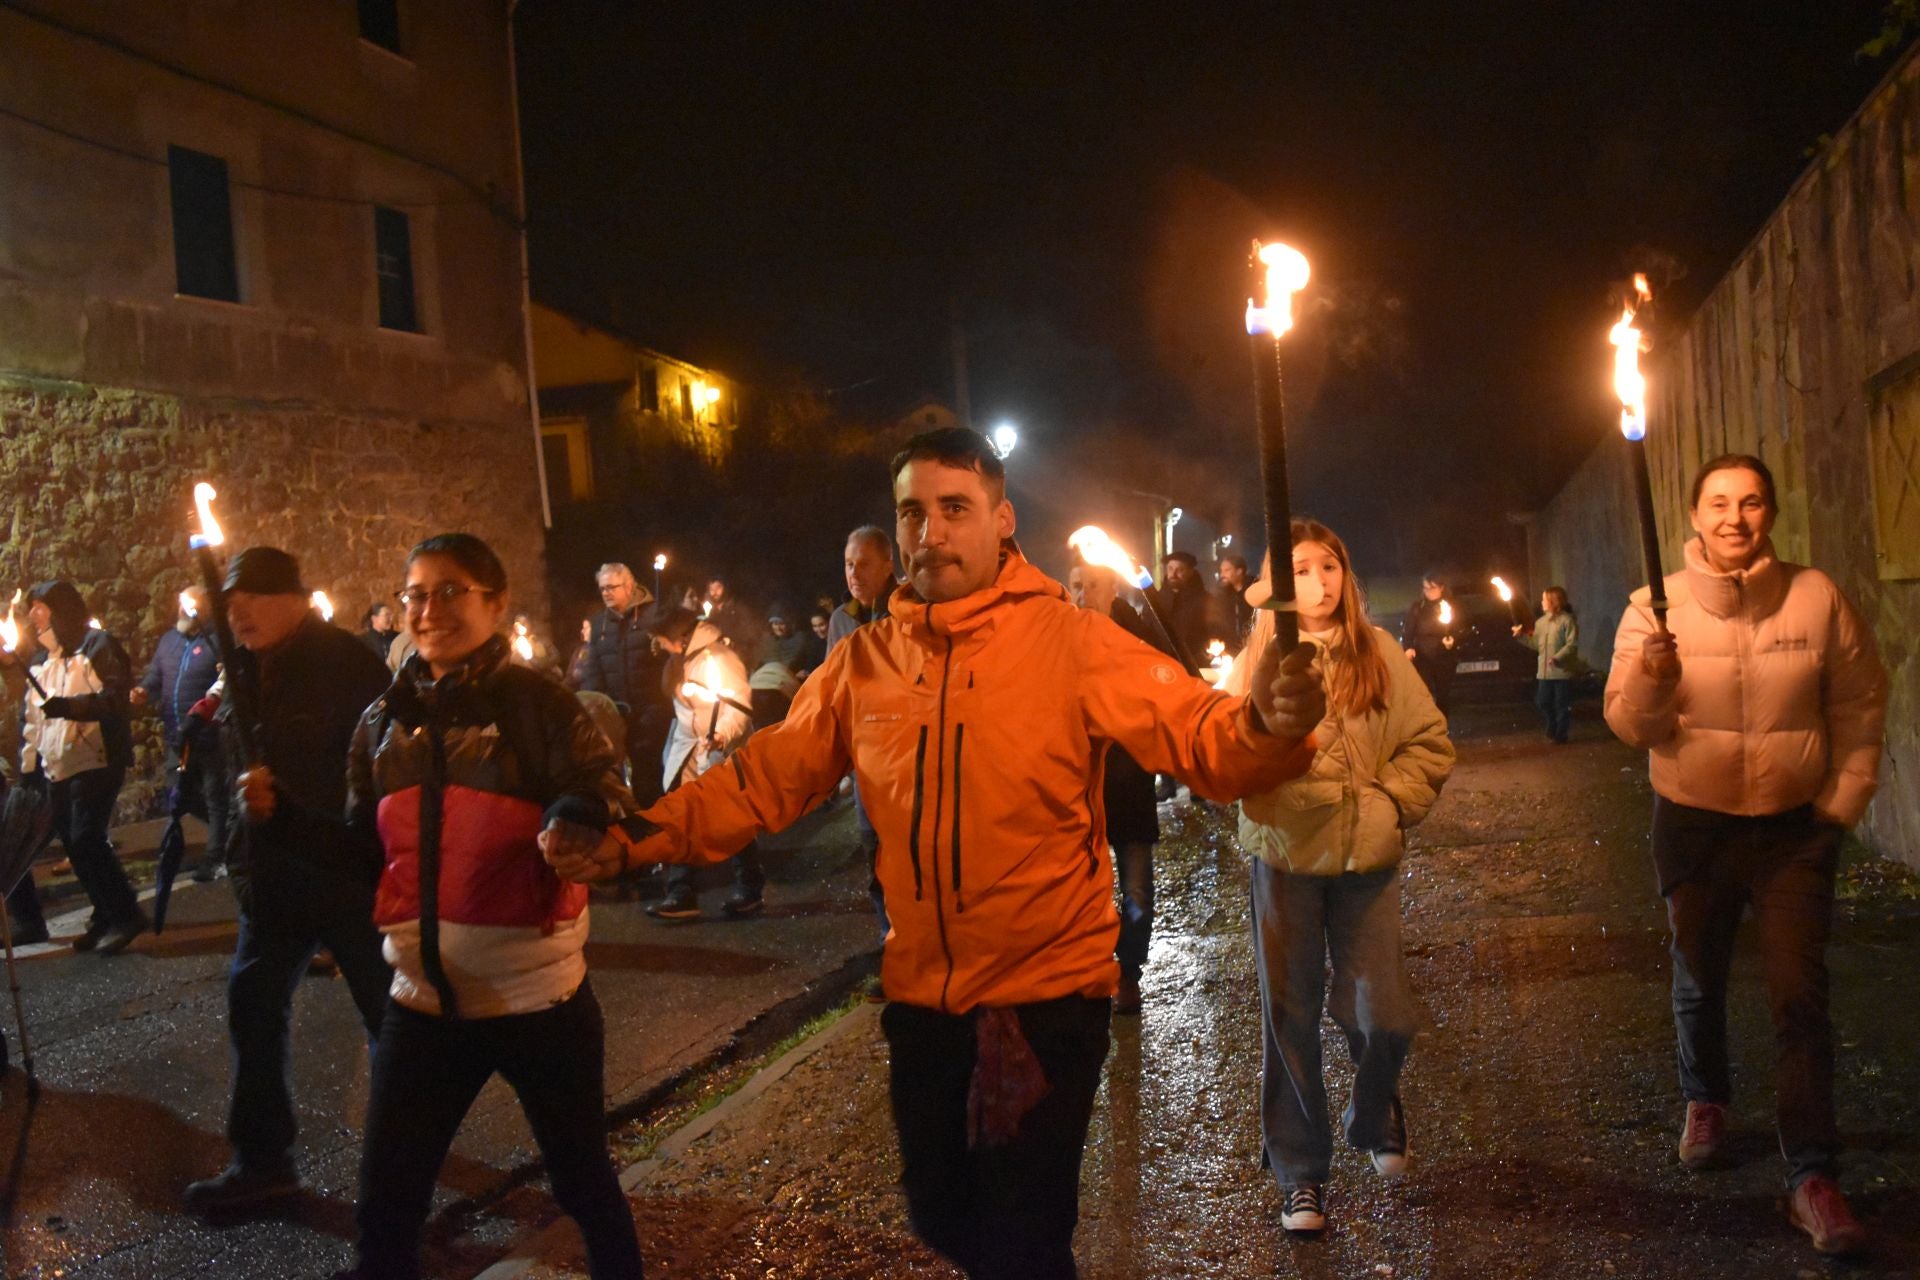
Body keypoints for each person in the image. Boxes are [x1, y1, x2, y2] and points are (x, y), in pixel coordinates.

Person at [549, 427, 1326, 1279]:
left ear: (1002, 521)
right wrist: (635, 841)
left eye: (955, 509)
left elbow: (1203, 736)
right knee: (939, 1211)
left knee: (1023, 1243)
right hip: (924, 1002)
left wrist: (1268, 723)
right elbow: (762, 779)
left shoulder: (1070, 642)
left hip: (1045, 1003)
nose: (931, 532)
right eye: (913, 513)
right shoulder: (864, 663)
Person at [337, 534, 643, 1280]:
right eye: (416, 593)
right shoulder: (381, 724)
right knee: (385, 1204)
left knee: (581, 1181)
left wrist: (574, 809)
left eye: (451, 591)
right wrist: (279, 821)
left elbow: (605, 788)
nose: (429, 608)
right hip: (422, 1007)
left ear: (496, 602)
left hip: (538, 1005)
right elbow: (359, 850)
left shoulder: (537, 704)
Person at [1603, 454, 1887, 1257]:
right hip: (1696, 825)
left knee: (1800, 998)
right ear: (1693, 515)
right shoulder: (1651, 608)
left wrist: (1838, 804)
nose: (1735, 517)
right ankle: (1706, 1097)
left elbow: (1862, 700)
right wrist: (1655, 679)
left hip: (1793, 833)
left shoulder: (1816, 596)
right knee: (1700, 976)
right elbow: (1631, 727)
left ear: (1769, 514)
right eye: (1719, 503)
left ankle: (1812, 1178)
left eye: (1752, 502)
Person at [1225, 524, 1454, 1235]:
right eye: (1300, 569)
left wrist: (1389, 801)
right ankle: (1300, 1175)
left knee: (1380, 1011)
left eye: (1330, 566)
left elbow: (1429, 741)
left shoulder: (1379, 652)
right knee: (1289, 1018)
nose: (1319, 581)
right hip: (1286, 855)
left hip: (1365, 859)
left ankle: (1376, 1100)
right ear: (1275, 583)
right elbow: (1226, 748)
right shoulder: (1259, 655)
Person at [184, 547, 394, 1215]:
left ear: (297, 598)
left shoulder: (349, 664)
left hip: (344, 872)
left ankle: (404, 1164)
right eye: (231, 601)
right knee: (253, 1003)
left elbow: (382, 771)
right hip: (272, 880)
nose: (238, 611)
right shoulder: (238, 668)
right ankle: (263, 1161)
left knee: (389, 1017)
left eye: (254, 598)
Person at [12, 581, 145, 954]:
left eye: (41, 607)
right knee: (74, 842)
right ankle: (104, 914)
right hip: (59, 765)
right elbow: (34, 720)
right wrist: (29, 766)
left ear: (61, 609)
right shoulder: (42, 662)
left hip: (97, 760)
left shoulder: (97, 646)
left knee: (87, 838)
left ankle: (126, 914)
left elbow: (116, 698)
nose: (34, 615)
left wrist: (71, 707)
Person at [1066, 558, 1168, 1017]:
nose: (1084, 592)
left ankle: (1129, 971)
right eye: (1077, 585)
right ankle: (1087, 973)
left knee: (1138, 895)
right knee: (1080, 894)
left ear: (1113, 589)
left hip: (1129, 784)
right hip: (1077, 789)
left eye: (1094, 584)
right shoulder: (1058, 637)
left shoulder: (1137, 636)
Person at [643, 605, 761, 921]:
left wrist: (720, 735)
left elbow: (738, 706)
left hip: (719, 752)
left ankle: (749, 887)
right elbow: (684, 714)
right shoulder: (679, 661)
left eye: (662, 639)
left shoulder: (718, 659)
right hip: (687, 750)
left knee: (730, 818)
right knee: (683, 817)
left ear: (679, 637)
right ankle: (681, 892)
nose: (660, 645)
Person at [827, 525, 899, 950]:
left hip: (904, 761)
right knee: (876, 861)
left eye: (863, 563)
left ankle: (918, 956)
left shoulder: (907, 611)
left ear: (888, 566)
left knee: (908, 861)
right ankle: (891, 949)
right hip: (865, 762)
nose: (854, 573)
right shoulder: (842, 619)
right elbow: (832, 689)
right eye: (849, 564)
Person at [132, 585, 230, 882]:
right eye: (181, 604)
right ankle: (224, 830)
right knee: (180, 795)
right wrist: (143, 690)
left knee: (215, 795)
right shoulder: (169, 641)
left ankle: (215, 858)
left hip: (209, 734)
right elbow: (155, 675)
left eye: (191, 605)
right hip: (178, 735)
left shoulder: (216, 640)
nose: (182, 610)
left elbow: (226, 681)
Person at [571, 563, 667, 808]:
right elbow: (594, 669)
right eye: (602, 588)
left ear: (629, 586)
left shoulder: (655, 616)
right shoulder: (599, 624)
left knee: (649, 771)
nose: (606, 593)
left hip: (651, 711)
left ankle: (655, 823)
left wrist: (659, 706)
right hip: (617, 713)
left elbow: (669, 661)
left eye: (611, 587)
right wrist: (601, 709)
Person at [1516, 586, 1578, 744]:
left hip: (1561, 671)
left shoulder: (1567, 620)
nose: (1542, 602)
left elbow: (1572, 645)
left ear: (1553, 601)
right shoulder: (1541, 623)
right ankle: (1552, 723)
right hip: (1544, 672)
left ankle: (1560, 734)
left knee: (1561, 704)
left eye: (1544, 599)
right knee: (1542, 701)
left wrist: (1557, 658)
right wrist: (1520, 636)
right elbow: (1536, 644)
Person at [1401, 571, 1455, 714]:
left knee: (1443, 694)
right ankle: (1427, 726)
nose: (1428, 592)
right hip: (1422, 657)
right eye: (1425, 588)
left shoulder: (1450, 606)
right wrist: (1408, 647)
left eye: (1432, 588)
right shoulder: (1418, 607)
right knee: (1423, 693)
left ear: (1441, 588)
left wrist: (1453, 640)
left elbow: (1461, 628)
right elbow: (1408, 631)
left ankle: (1443, 725)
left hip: (1444, 657)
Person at [1159, 550, 1212, 665]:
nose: (1173, 574)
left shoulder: (1204, 601)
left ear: (1190, 572)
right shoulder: (1156, 599)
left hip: (1194, 665)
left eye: (1180, 570)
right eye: (1170, 568)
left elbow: (1214, 632)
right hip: (1161, 663)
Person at [1214, 552, 1256, 654]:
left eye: (1227, 570)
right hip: (1231, 649)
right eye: (1221, 571)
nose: (1222, 575)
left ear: (1239, 571)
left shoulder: (1254, 592)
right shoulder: (1224, 595)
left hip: (1252, 646)